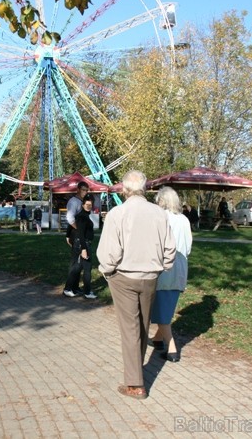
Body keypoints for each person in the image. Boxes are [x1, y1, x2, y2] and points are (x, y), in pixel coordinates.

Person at [96, 170, 176, 400]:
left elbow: (110, 251)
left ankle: (135, 384)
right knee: (142, 325)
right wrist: (162, 266)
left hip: (124, 276)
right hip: (150, 276)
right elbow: (169, 248)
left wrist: (107, 270)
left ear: (124, 189)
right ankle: (136, 373)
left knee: (130, 329)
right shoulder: (159, 214)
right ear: (145, 188)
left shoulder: (117, 213)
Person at [150, 187, 192, 362]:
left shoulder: (161, 218)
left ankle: (172, 349)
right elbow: (188, 246)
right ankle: (158, 339)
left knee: (160, 313)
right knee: (166, 307)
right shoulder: (184, 219)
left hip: (164, 267)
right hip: (181, 267)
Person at [63, 194, 97, 299]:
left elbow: (71, 225)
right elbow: (80, 233)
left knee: (83, 268)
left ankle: (84, 291)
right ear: (82, 205)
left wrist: (68, 235)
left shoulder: (82, 215)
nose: (88, 206)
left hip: (82, 244)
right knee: (78, 268)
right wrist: (83, 249)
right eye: (87, 205)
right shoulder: (82, 217)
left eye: (90, 205)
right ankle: (68, 289)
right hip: (82, 244)